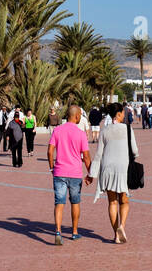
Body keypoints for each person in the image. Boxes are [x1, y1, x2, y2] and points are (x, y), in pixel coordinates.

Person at [91, 103, 138, 243]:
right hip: (122, 167)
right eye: (123, 113)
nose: (124, 115)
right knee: (124, 201)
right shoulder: (128, 129)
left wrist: (92, 173)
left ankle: (116, 235)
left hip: (107, 168)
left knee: (112, 202)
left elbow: (99, 154)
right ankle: (122, 226)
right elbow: (135, 150)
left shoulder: (104, 130)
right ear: (118, 114)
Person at [49, 105, 93, 244]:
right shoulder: (80, 134)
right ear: (76, 116)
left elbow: (50, 151)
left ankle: (58, 231)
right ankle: (74, 232)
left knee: (59, 203)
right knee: (75, 202)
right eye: (80, 114)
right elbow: (86, 156)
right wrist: (90, 173)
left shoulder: (57, 130)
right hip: (75, 173)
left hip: (59, 172)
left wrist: (52, 168)